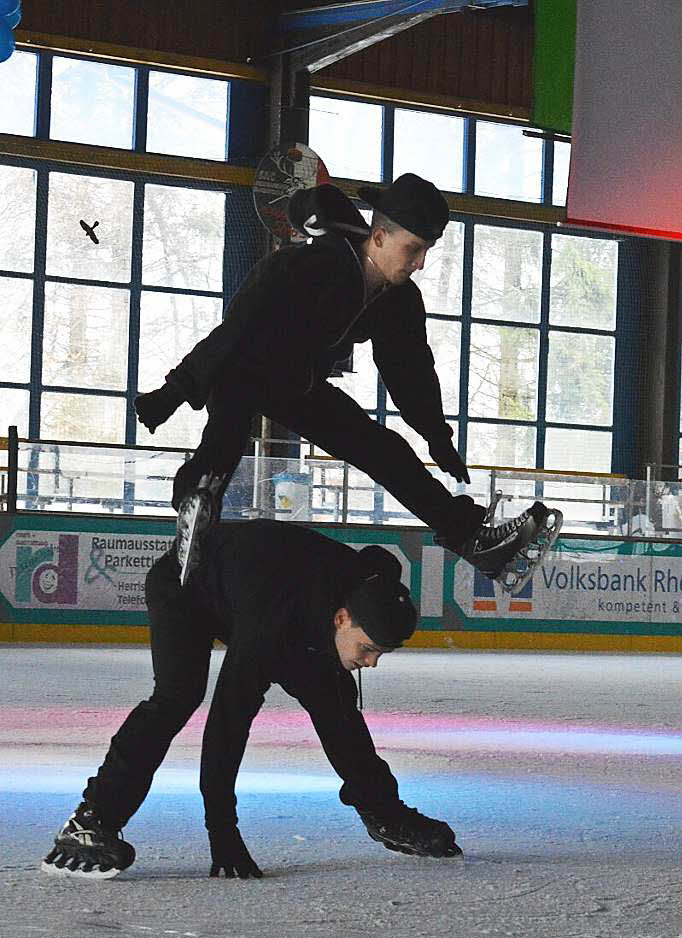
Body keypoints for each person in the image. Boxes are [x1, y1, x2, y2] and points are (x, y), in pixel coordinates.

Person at [135, 173, 559, 590]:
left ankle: (473, 539)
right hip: (243, 367)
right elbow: (236, 328)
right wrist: (174, 392)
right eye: (413, 249)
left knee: (383, 449)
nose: (420, 263)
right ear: (378, 236)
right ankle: (196, 506)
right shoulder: (309, 263)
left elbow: (409, 372)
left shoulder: (399, 299)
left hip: (298, 387)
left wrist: (436, 435)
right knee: (225, 436)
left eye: (426, 251)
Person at [42, 521, 462, 881]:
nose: (370, 663)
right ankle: (93, 820)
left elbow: (376, 565)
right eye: (368, 649)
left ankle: (384, 812)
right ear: (342, 618)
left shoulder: (364, 592)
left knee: (338, 710)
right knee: (178, 695)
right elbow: (227, 726)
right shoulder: (268, 633)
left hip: (270, 596)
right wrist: (222, 831)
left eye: (379, 654)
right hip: (188, 584)